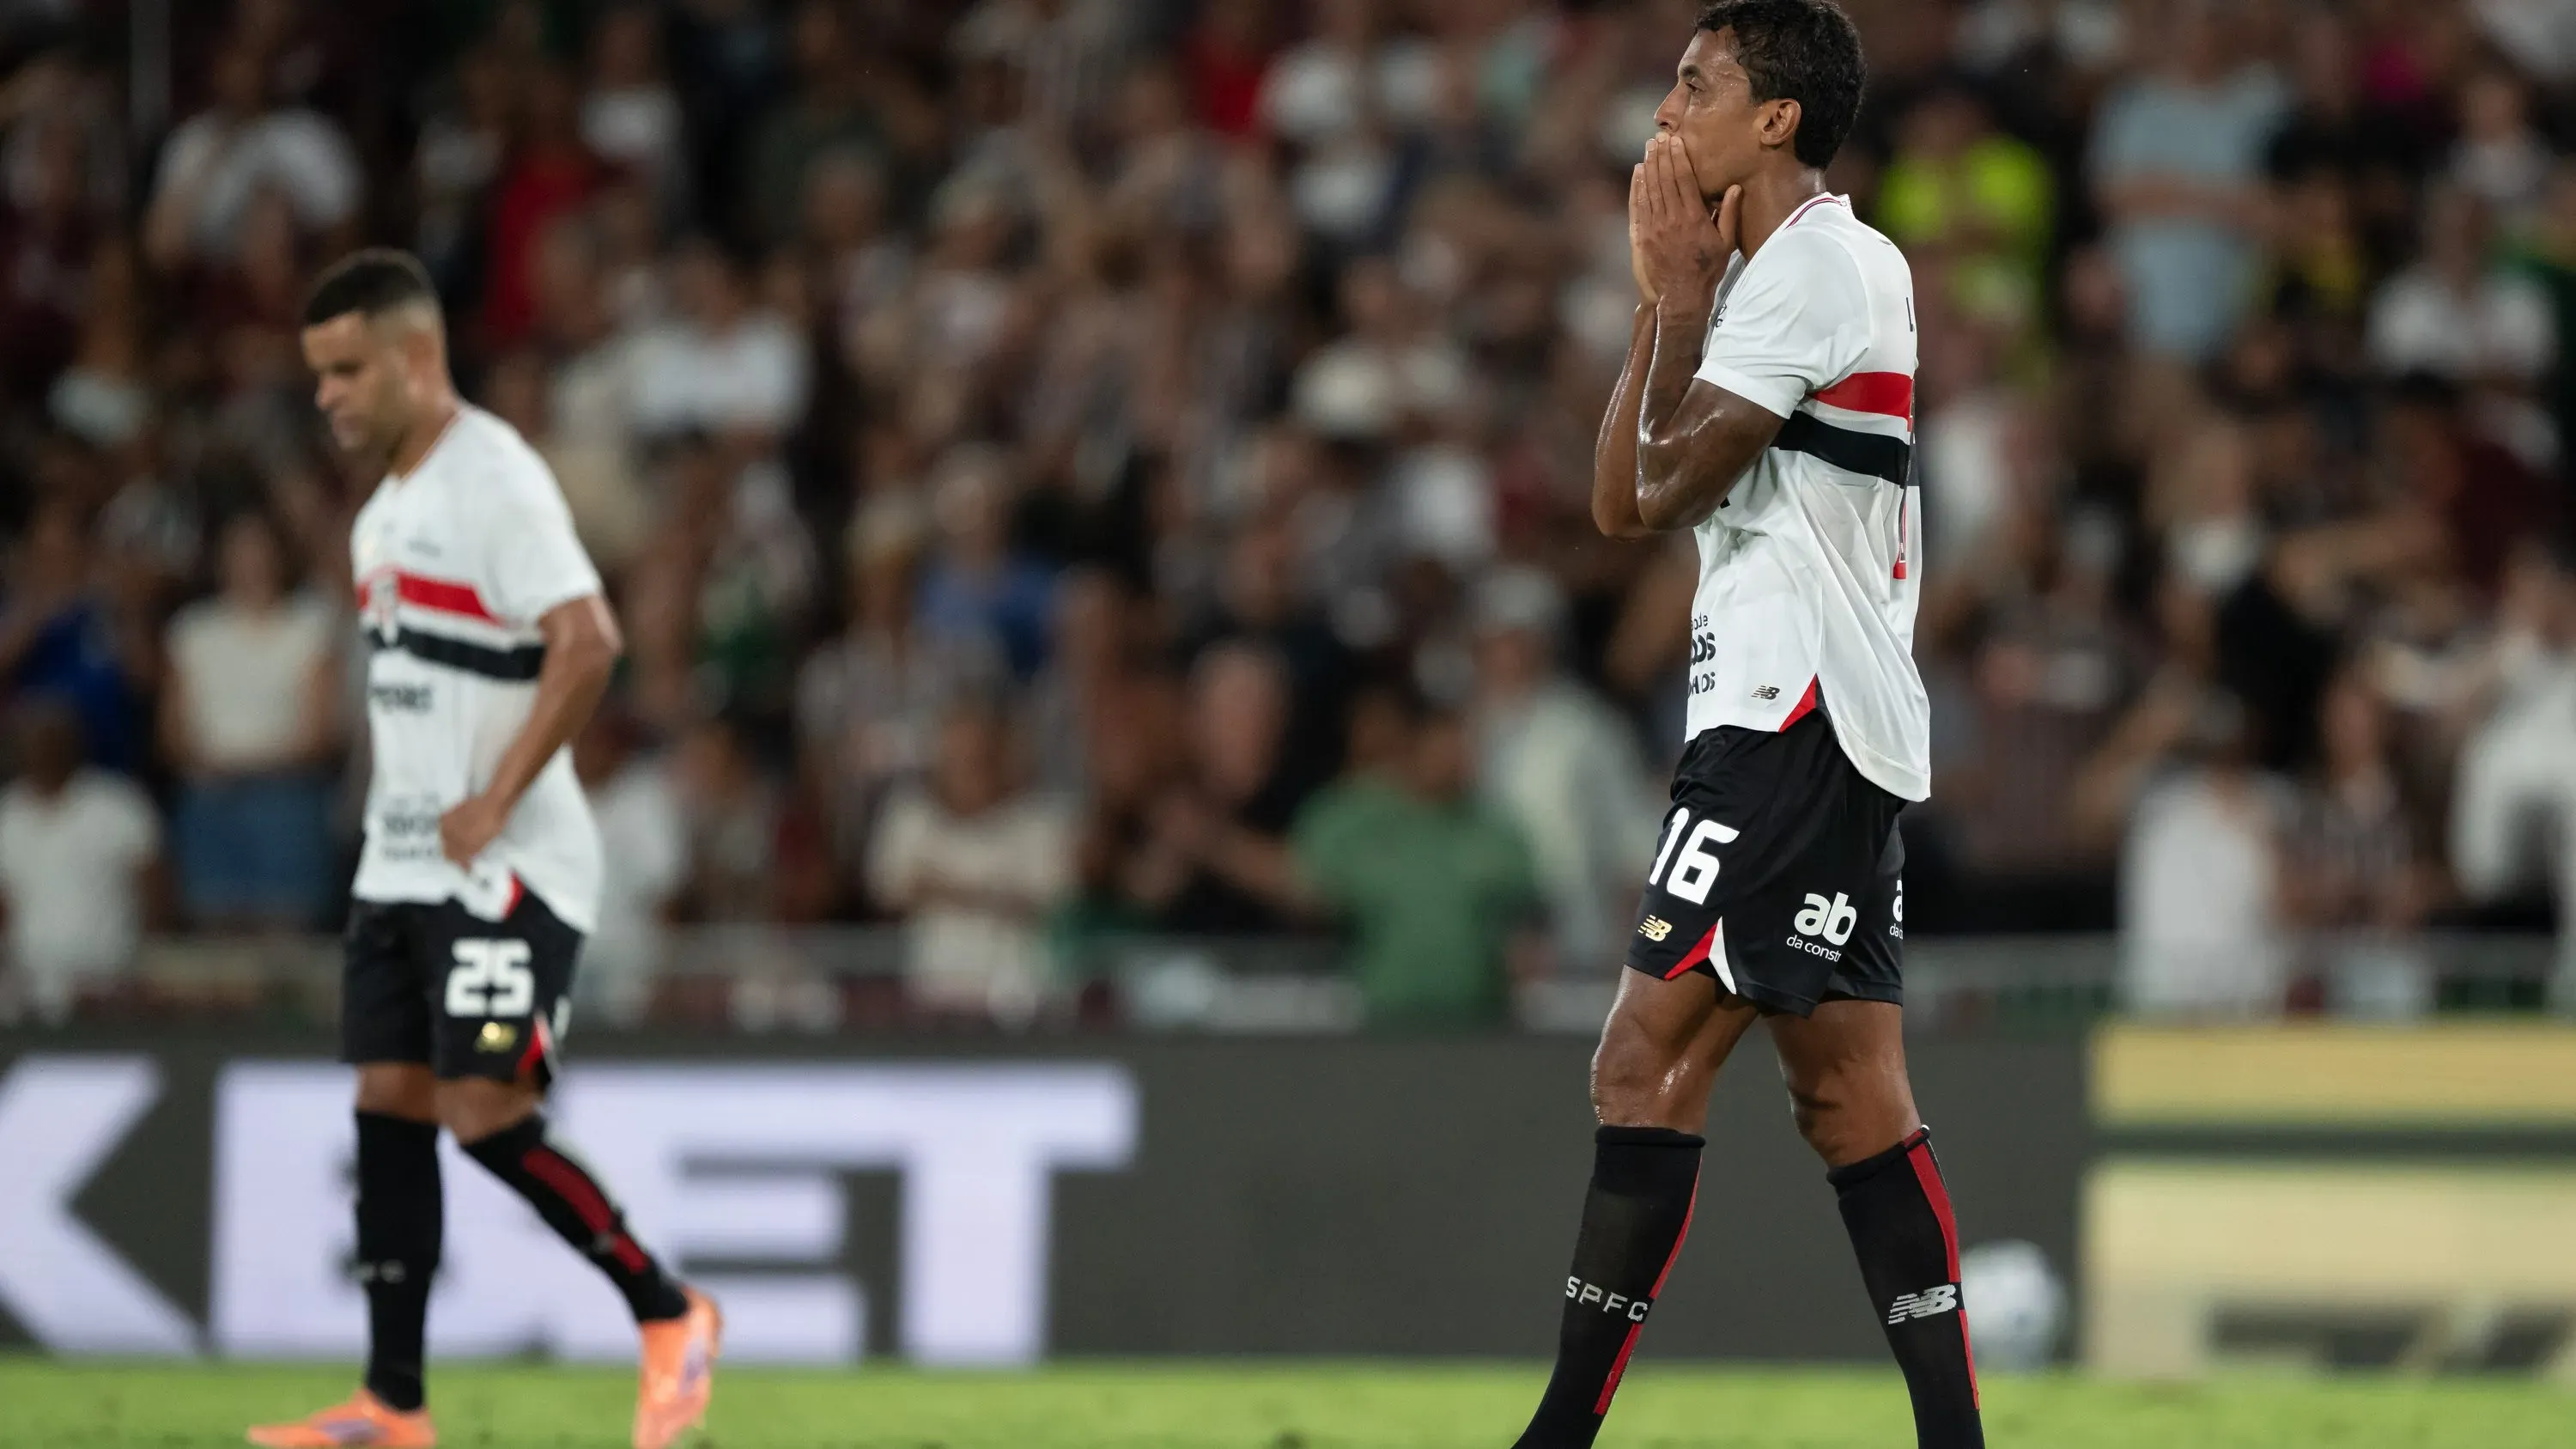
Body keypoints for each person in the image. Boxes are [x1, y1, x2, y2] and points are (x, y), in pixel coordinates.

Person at [1512, 5, 1978, 1447]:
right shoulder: (1781, 277)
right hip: (1813, 720)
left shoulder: (1821, 264)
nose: (1667, 110)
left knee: (1641, 1062)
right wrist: (1671, 300)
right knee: (1849, 1100)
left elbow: (1651, 493)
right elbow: (1621, 500)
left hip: (1792, 719)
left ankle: (1556, 1437)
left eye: (1695, 83)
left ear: (1777, 118)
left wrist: (1672, 296)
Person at [247, 250, 719, 1449]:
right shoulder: (380, 517)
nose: (327, 396)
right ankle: (392, 1403)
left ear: (415, 356)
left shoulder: (494, 477)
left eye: (347, 370)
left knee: (482, 1107)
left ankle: (668, 1309)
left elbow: (590, 640)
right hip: (400, 862)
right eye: (318, 375)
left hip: (506, 862)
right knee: (389, 1098)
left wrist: (495, 797)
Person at [161, 511, 342, 930]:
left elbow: (322, 733)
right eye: (238, 551)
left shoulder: (310, 624)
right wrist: (212, 765)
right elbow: (171, 733)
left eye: (259, 550)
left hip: (286, 799)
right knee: (214, 922)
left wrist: (249, 764)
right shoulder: (192, 629)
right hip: (210, 797)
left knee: (287, 925)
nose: (250, 562)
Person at [0, 697, 160, 1024]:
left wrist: (144, 969)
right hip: (30, 987)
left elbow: (156, 892)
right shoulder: (8, 813)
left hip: (109, 980)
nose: (42, 750)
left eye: (52, 740)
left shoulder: (116, 804)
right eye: (33, 741)